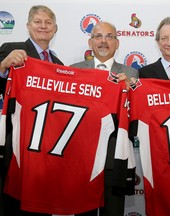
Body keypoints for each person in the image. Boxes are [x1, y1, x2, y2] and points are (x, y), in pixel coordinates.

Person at [0, 5, 63, 216]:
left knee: (40, 204)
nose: (43, 26)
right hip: (17, 144)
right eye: (38, 22)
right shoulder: (12, 49)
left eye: (48, 23)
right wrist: (2, 67)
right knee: (15, 203)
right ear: (28, 26)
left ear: (55, 28)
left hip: (47, 150)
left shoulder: (58, 64)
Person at [70, 21, 138, 216]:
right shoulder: (74, 71)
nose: (103, 41)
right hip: (82, 158)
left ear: (117, 43)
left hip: (114, 157)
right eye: (98, 36)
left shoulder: (131, 74)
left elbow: (134, 118)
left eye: (109, 37)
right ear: (90, 42)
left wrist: (130, 89)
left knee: (113, 212)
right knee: (83, 211)